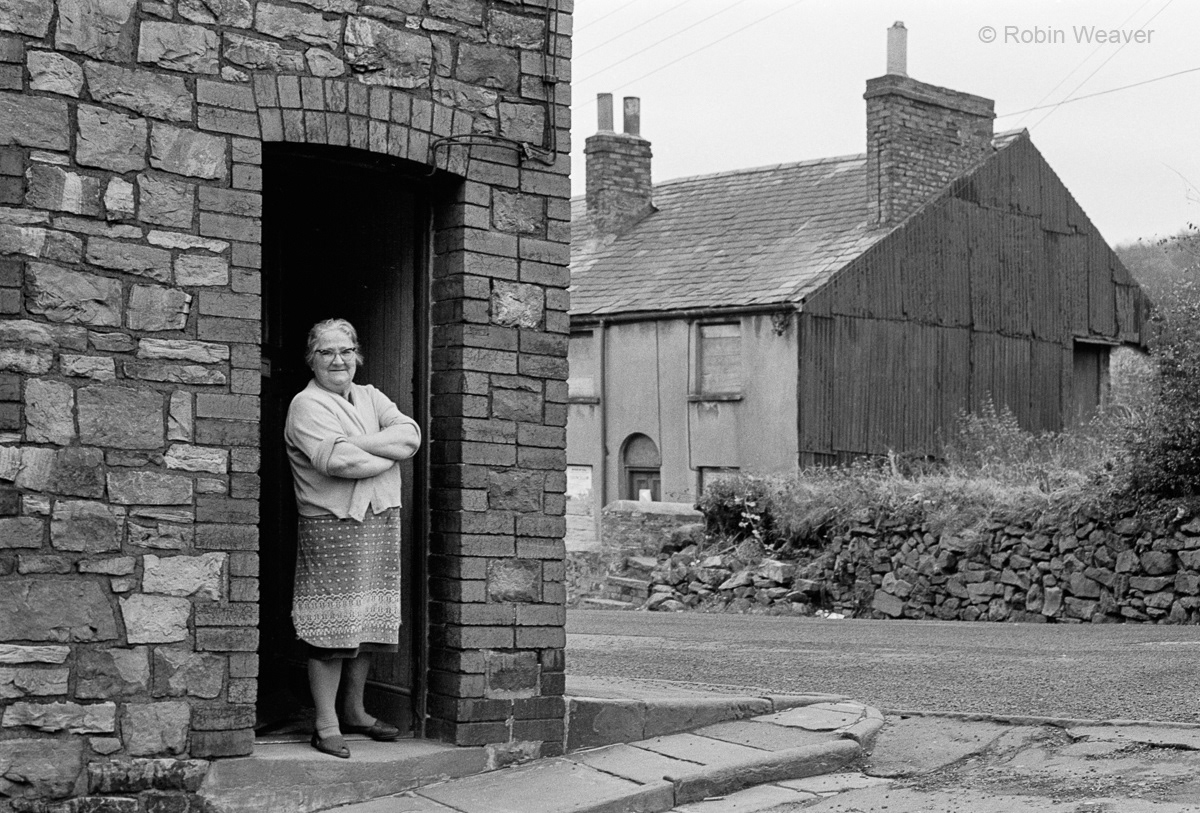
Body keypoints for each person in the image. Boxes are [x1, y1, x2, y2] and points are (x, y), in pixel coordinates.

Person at [284, 318, 421, 759]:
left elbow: (411, 437)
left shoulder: (369, 395)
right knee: (329, 626)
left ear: (357, 354)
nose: (337, 360)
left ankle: (355, 711)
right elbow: (340, 464)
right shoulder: (306, 405)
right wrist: (383, 451)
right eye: (326, 352)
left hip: (379, 519)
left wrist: (359, 442)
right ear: (313, 359)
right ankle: (325, 725)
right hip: (332, 524)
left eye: (345, 351)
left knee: (367, 619)